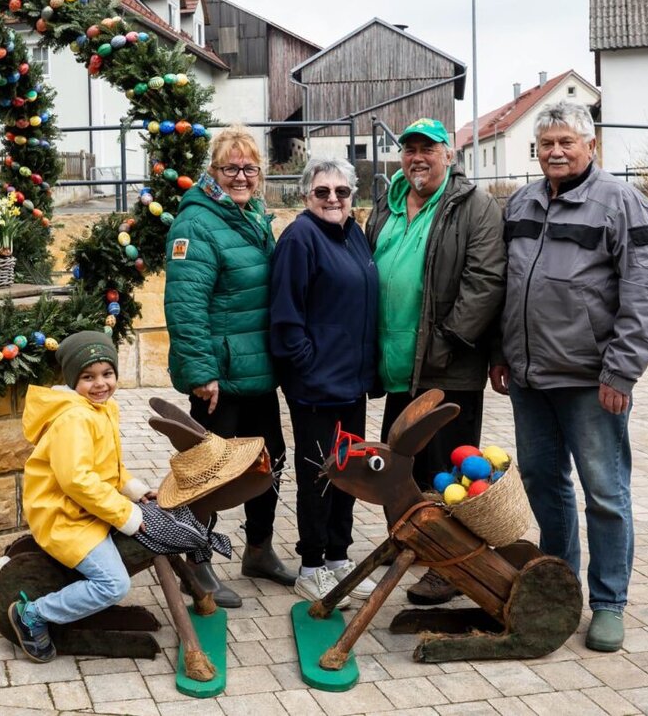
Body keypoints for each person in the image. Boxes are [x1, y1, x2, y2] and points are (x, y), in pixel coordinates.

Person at [490, 101, 648, 653]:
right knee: (544, 484)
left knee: (606, 493)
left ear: (592, 146)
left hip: (592, 382)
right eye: (547, 144)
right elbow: (507, 286)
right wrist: (501, 352)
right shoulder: (521, 201)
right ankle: (558, 584)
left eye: (567, 141)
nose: (556, 151)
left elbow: (645, 294)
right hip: (529, 379)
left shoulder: (622, 203)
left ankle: (609, 602)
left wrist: (622, 371)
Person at [365, 118, 506, 605]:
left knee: (449, 474)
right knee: (400, 470)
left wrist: (446, 343)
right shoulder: (385, 208)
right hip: (399, 368)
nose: (417, 157)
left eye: (429, 148)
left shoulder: (474, 207)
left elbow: (485, 281)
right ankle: (411, 541)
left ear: (450, 154)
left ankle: (450, 567)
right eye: (409, 149)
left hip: (447, 368)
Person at [164, 124, 293, 606]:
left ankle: (258, 549)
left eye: (250, 168)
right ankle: (196, 565)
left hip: (258, 370)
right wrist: (200, 373)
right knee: (210, 471)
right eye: (231, 167)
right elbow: (184, 302)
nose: (241, 175)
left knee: (269, 460)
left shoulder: (254, 215)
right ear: (213, 171)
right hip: (221, 376)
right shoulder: (196, 223)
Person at [269, 157, 380, 605]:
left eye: (341, 191)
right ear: (305, 195)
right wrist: (308, 366)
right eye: (322, 191)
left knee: (348, 472)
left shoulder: (353, 233)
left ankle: (338, 557)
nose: (333, 198)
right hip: (317, 388)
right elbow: (285, 317)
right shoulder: (300, 238)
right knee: (319, 475)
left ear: (353, 196)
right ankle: (311, 565)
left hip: (351, 384)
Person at [8, 331, 155, 663]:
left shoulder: (103, 408)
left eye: (107, 374)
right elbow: (78, 480)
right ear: (73, 380)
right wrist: (126, 514)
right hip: (65, 518)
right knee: (113, 585)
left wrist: (135, 490)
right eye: (88, 377)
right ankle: (32, 614)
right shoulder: (74, 419)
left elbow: (109, 467)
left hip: (87, 510)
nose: (100, 384)